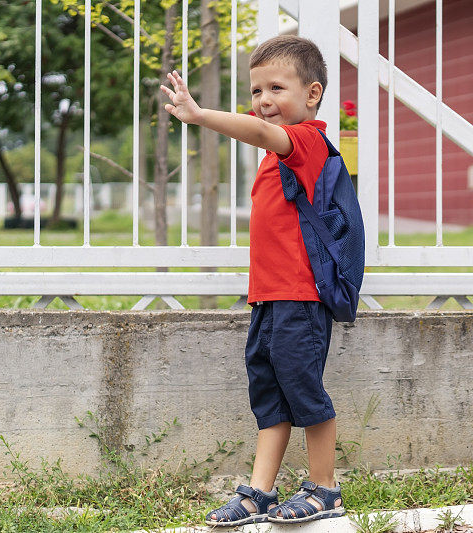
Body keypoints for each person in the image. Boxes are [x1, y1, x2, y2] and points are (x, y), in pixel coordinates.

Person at [160, 35, 345, 526]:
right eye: (257, 90)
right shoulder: (278, 153)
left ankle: (326, 488)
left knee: (305, 392)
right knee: (269, 394)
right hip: (268, 299)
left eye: (277, 88)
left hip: (300, 299)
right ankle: (258, 493)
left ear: (312, 93)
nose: (264, 100)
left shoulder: (306, 142)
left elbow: (263, 134)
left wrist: (201, 117)